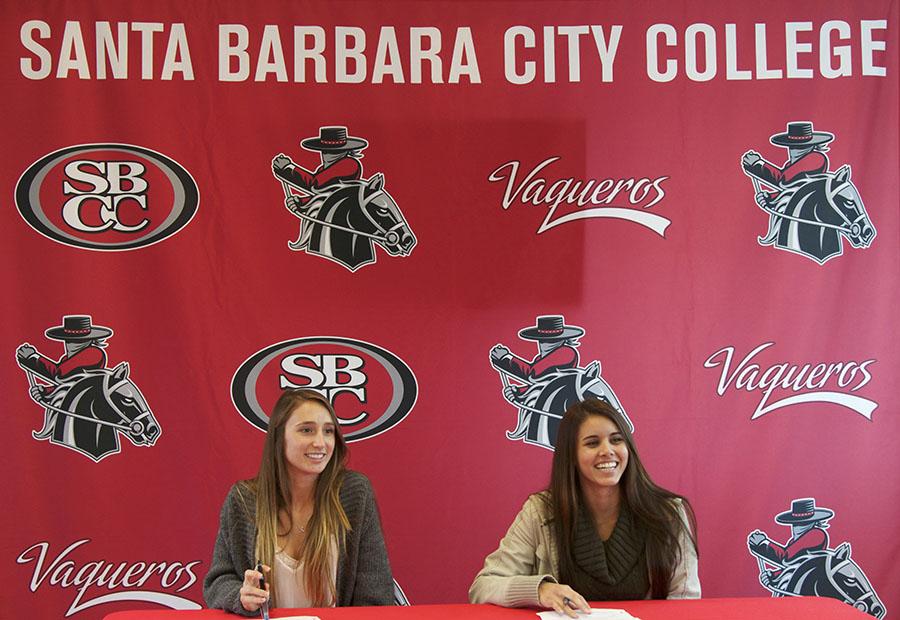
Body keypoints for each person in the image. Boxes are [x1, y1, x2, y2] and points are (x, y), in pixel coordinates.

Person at [469, 398, 699, 617]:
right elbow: (484, 586)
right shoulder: (540, 511)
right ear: (571, 456)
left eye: (617, 440)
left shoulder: (669, 513)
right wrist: (541, 590)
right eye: (592, 443)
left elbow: (685, 602)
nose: (607, 450)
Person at [203, 389, 394, 614]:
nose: (321, 443)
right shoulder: (243, 500)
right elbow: (218, 582)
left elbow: (375, 595)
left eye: (329, 431)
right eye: (307, 430)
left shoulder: (354, 493)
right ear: (279, 436)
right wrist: (241, 597)